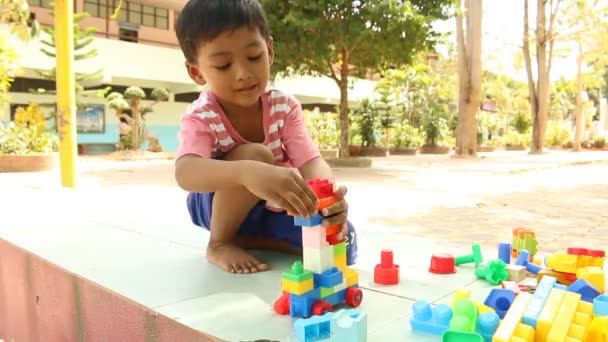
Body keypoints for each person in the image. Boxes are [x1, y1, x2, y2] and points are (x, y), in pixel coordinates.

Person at [174, 0, 357, 274]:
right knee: (256, 155)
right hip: (215, 208)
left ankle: (253, 238)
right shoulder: (202, 115)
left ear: (269, 50)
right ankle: (221, 243)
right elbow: (185, 172)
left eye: (254, 57)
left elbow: (311, 162)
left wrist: (326, 199)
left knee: (344, 241)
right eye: (223, 65)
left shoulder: (283, 106)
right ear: (197, 72)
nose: (243, 73)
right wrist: (246, 173)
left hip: (271, 203)